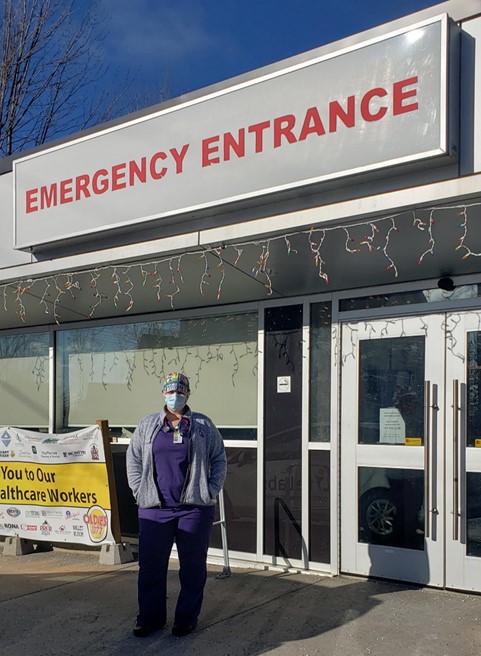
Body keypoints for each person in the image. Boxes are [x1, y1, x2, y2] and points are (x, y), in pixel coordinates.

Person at [126, 371, 227, 638]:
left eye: (180, 391)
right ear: (163, 394)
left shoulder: (203, 425)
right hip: (154, 510)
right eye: (170, 392)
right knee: (150, 567)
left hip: (193, 509)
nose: (175, 396)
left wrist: (211, 489)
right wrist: (139, 491)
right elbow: (133, 459)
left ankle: (186, 618)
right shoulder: (148, 425)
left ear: (188, 394)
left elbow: (219, 458)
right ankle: (149, 618)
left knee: (193, 567)